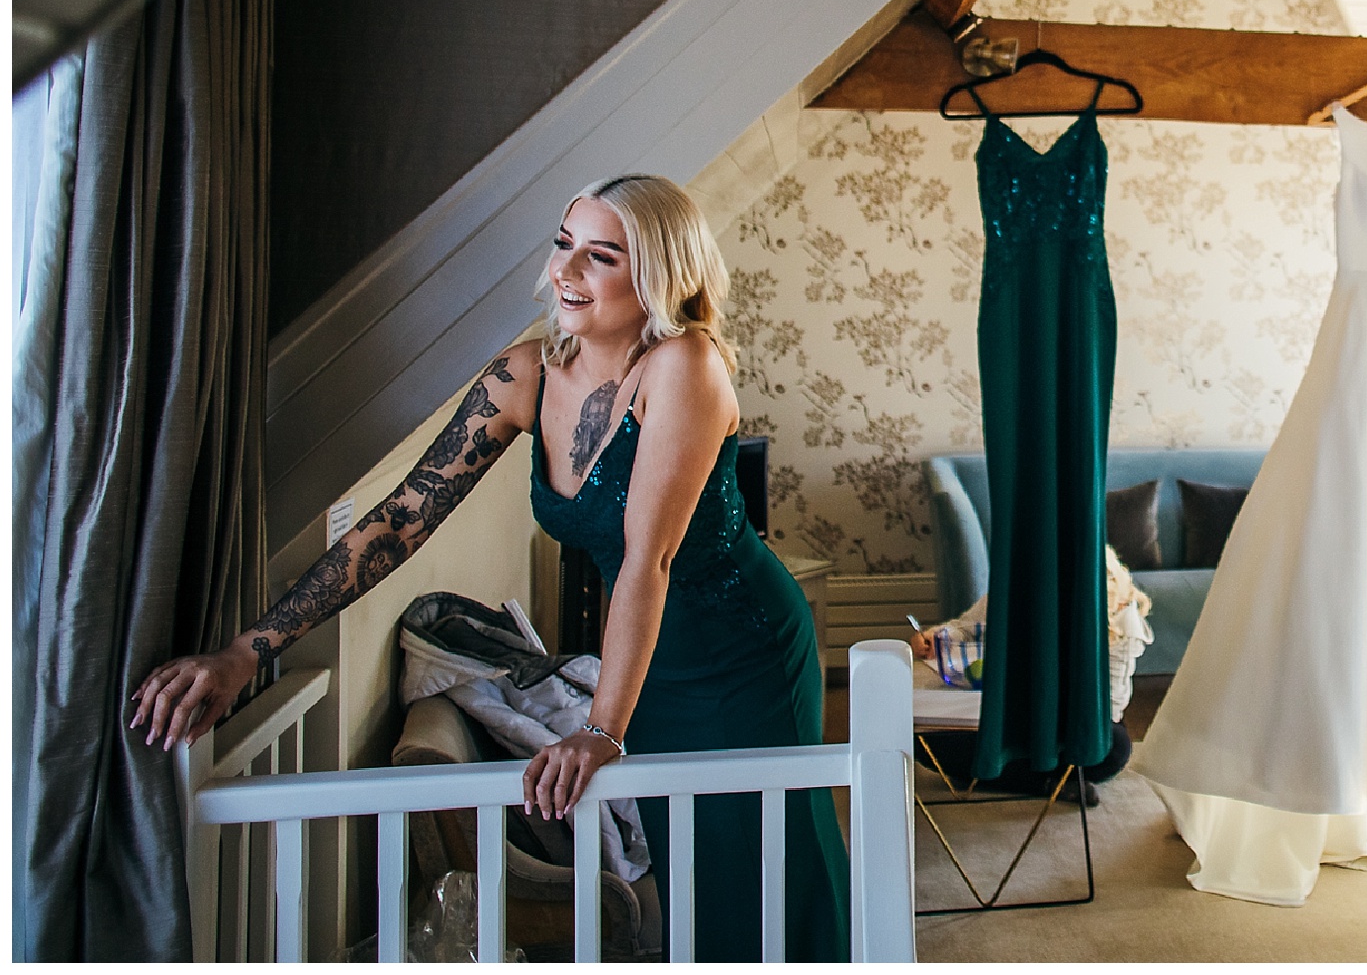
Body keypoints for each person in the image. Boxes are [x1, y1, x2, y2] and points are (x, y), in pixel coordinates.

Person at [130, 173, 851, 961]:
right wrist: (247, 651)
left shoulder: (683, 364)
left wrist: (600, 731)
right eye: (563, 244)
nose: (566, 271)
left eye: (601, 256)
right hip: (649, 658)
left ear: (656, 277)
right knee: (693, 865)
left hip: (740, 651)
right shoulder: (524, 376)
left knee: (771, 861)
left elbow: (651, 557)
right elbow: (400, 519)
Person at [911, 543, 1152, 802]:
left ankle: (1031, 780)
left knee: (1114, 746)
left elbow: (1110, 708)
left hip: (1063, 729)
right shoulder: (1020, 586)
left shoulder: (1118, 618)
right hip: (1002, 717)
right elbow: (967, 628)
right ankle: (1045, 779)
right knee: (920, 740)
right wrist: (934, 639)